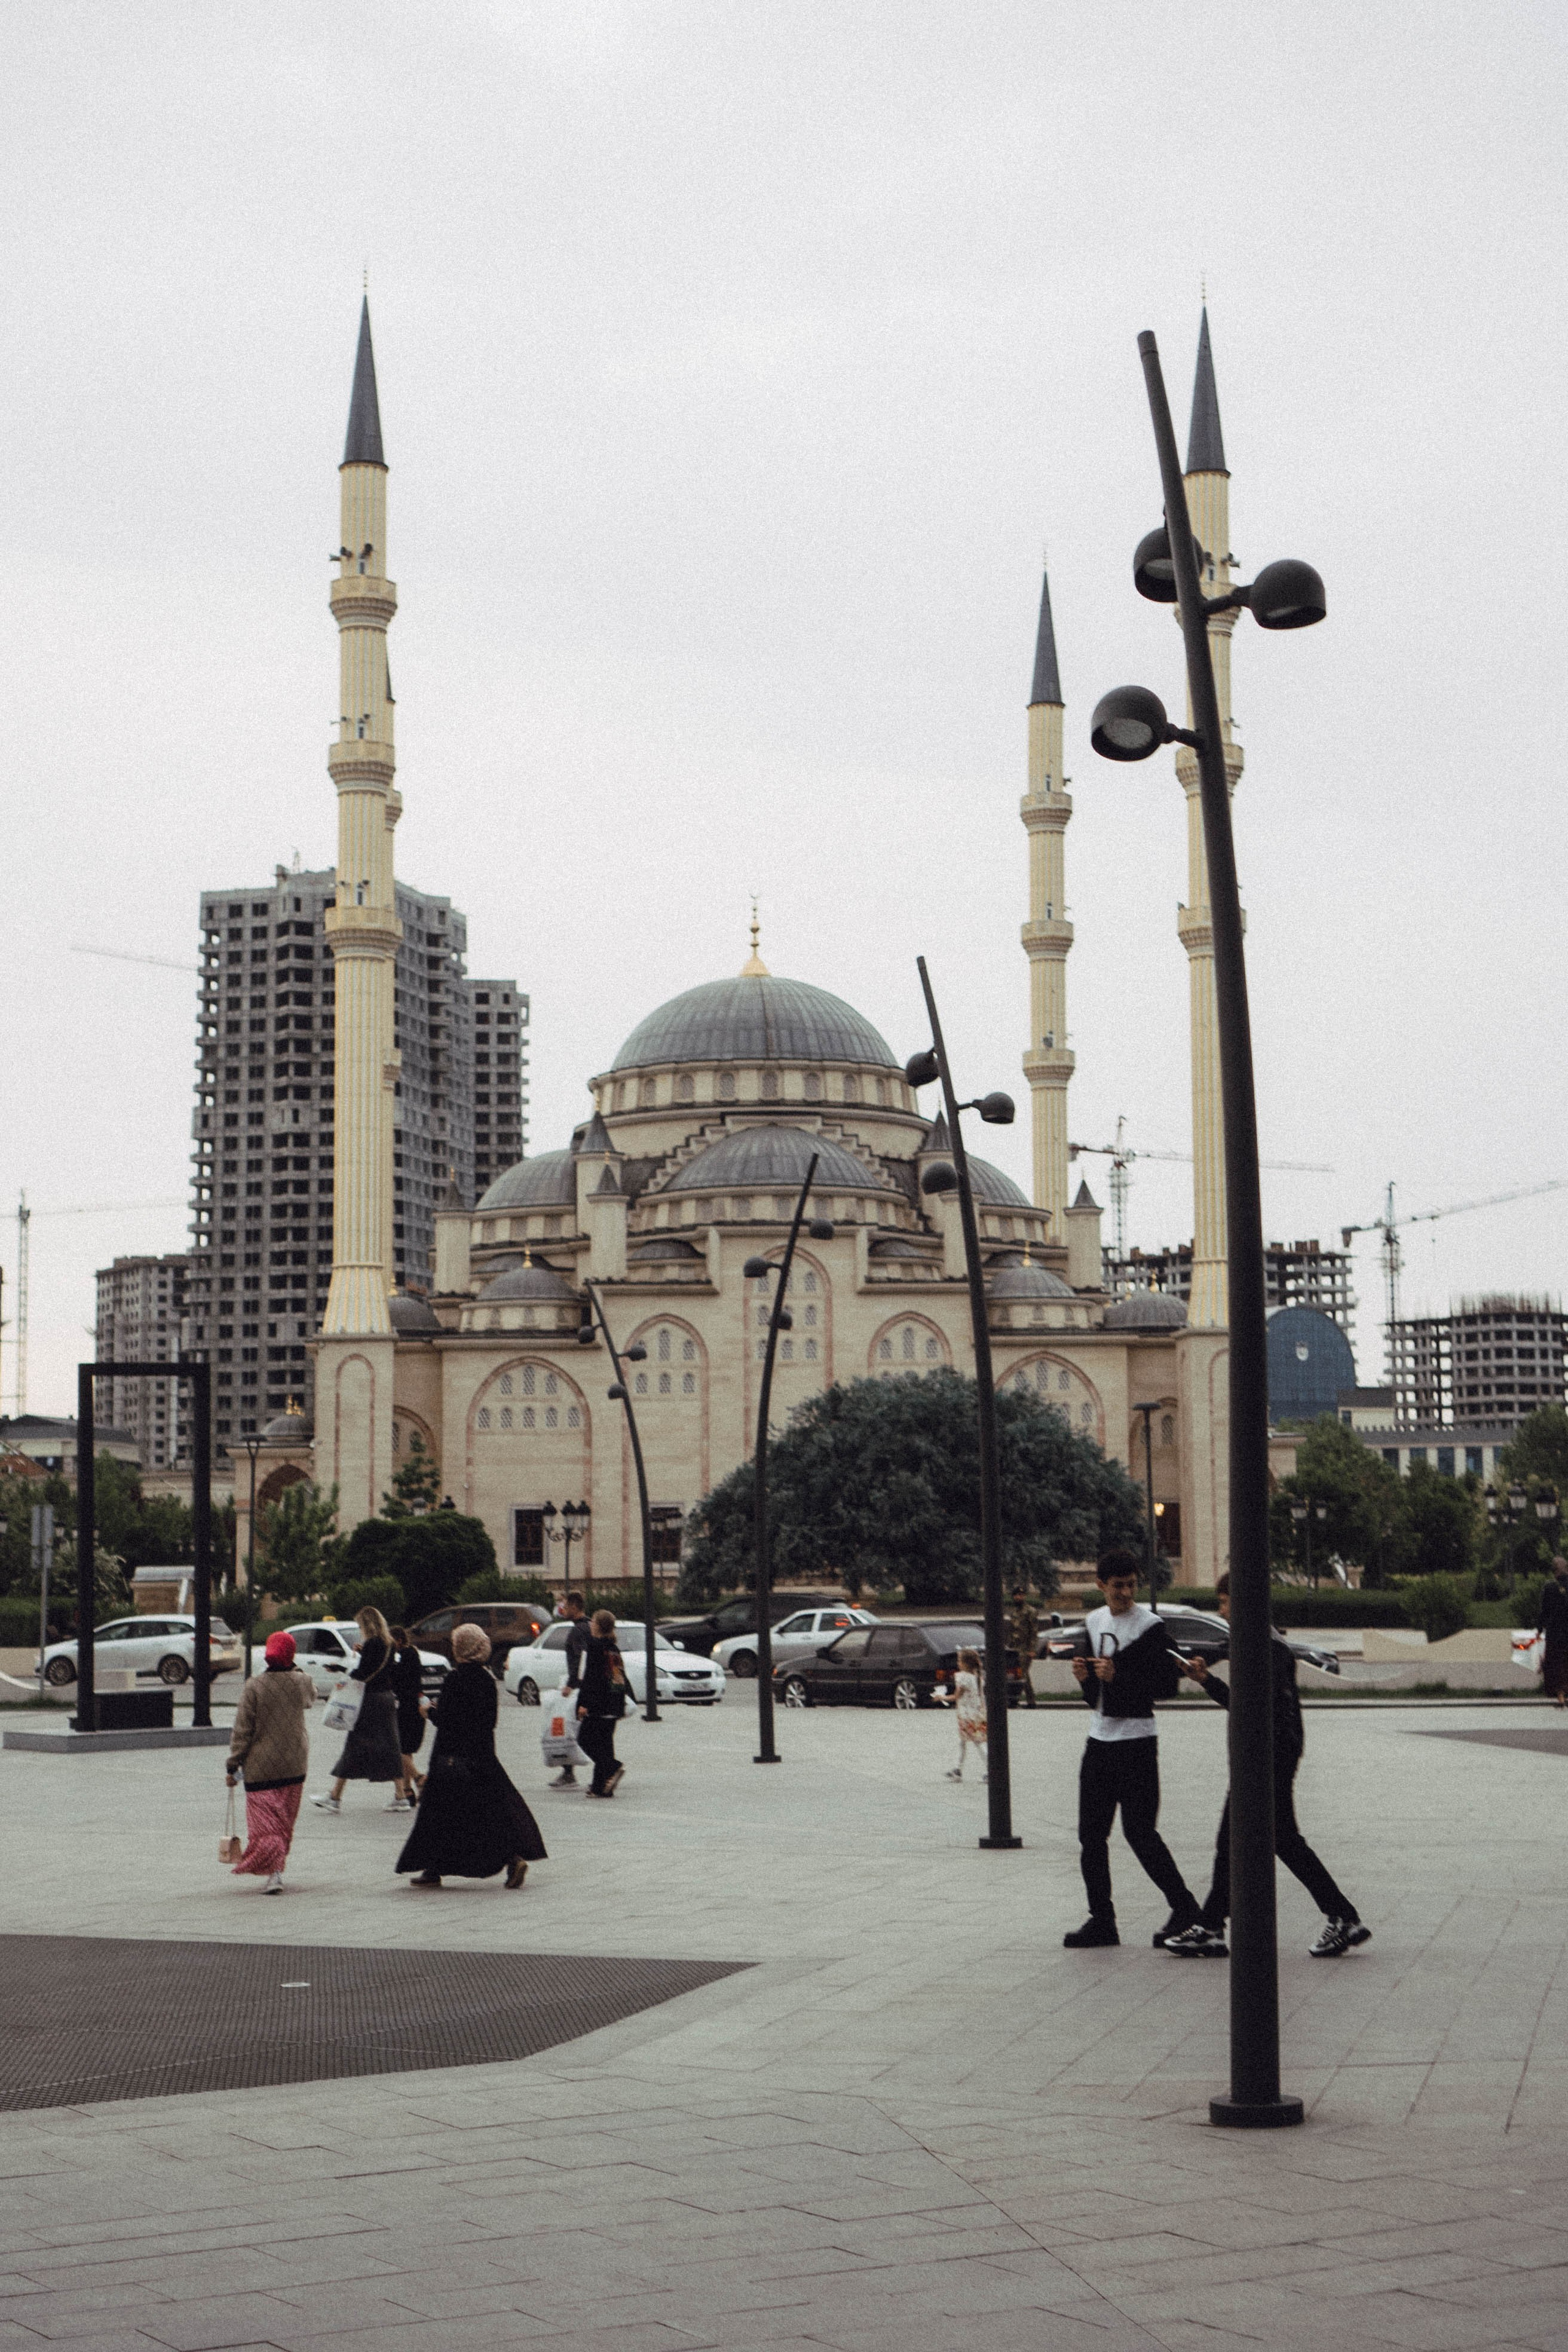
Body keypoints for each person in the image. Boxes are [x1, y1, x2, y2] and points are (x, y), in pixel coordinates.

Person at [1167, 1572, 1368, 1960]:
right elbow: (1248, 1704)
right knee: (1274, 1841)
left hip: (1265, 1759)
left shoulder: (1266, 1648)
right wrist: (1207, 1679)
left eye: (1226, 1602)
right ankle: (1341, 1916)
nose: (1222, 1611)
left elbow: (1260, 1711)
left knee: (1243, 1841)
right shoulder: (1258, 1642)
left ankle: (1212, 1927)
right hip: (1269, 1755)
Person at [1064, 1548, 1200, 1950]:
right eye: (1117, 1586)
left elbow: (1166, 1686)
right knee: (1091, 1835)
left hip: (1138, 1741)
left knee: (1140, 1832)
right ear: (1100, 1586)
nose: (1124, 1593)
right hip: (1099, 1739)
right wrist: (1085, 1678)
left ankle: (1185, 1908)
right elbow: (1096, 1697)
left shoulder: (1151, 1627)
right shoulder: (1093, 1622)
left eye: (1130, 1585)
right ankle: (1102, 1919)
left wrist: (1119, 1674)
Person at [396, 1623, 547, 1888]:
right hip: (483, 1756)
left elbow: (449, 1720)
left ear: (461, 1648)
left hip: (452, 1757)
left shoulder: (456, 1679)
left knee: (438, 1814)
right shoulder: (488, 1680)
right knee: (486, 1814)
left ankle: (433, 1868)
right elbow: (489, 1721)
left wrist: (429, 1712)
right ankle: (512, 1858)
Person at [226, 1630, 315, 1893]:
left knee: (265, 1825)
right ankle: (277, 1867)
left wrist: (233, 1764)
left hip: (260, 1769)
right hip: (294, 1765)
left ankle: (274, 1871)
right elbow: (312, 1697)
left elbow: (242, 1730)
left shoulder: (254, 1686)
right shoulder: (302, 1682)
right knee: (284, 1822)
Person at [311, 1606, 403, 1812]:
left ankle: (334, 1797)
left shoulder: (372, 1644)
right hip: (386, 1699)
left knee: (354, 1746)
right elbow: (382, 1670)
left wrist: (344, 1677)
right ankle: (401, 1795)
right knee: (391, 1745)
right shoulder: (389, 1644)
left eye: (361, 1625)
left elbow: (362, 1674)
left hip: (370, 1701)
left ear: (367, 1624)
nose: (360, 1629)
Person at [575, 1609, 629, 1797]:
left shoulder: (595, 1646)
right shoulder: (613, 1648)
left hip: (599, 1704)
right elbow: (621, 1676)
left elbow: (592, 1678)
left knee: (585, 1739)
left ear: (598, 1625)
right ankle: (600, 1788)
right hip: (614, 1703)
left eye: (593, 1622)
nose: (590, 1624)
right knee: (605, 1744)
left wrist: (584, 1704)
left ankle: (612, 1767)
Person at [551, 1591, 591, 1787]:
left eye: (566, 1607)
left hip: (580, 1688)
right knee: (585, 1731)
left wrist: (571, 1683)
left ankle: (569, 1774)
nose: (563, 1610)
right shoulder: (590, 1625)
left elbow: (580, 1660)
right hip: (589, 1686)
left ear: (575, 1607)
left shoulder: (578, 1631)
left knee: (571, 1731)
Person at [937, 1646, 988, 1779]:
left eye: (959, 1661)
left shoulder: (963, 1678)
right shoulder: (977, 1677)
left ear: (965, 1664)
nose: (958, 1663)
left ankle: (990, 1770)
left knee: (977, 1742)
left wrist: (941, 1697)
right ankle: (958, 1769)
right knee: (965, 1742)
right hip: (978, 1713)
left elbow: (956, 1696)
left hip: (967, 1716)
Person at [390, 1625, 426, 1805]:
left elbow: (398, 1679)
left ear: (399, 1641)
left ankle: (419, 1778)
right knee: (407, 1750)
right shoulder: (412, 1654)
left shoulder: (406, 1656)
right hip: (414, 1707)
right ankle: (407, 1791)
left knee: (398, 1749)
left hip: (407, 1708)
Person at [1539, 1558, 1568, 1708]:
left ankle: (1559, 1693)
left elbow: (1544, 1611)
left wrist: (1539, 1628)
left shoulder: (1550, 1587)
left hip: (1555, 1632)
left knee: (1556, 1662)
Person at [1009, 1588, 1039, 1709]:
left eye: (1021, 1595)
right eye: (1016, 1595)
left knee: (1023, 1675)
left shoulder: (1031, 1611)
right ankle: (1017, 1699)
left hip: (1025, 1648)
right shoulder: (1014, 1612)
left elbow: (1034, 1631)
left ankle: (1030, 1702)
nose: (1018, 1598)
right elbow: (1012, 1631)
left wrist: (1032, 1649)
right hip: (1015, 1648)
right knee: (1020, 1675)